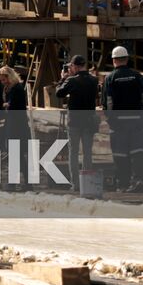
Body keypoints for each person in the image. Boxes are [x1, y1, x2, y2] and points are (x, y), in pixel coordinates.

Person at [104, 45, 143, 192]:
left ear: (114, 60)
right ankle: (138, 182)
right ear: (126, 59)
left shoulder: (110, 78)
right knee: (138, 152)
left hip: (119, 123)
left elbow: (108, 102)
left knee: (120, 154)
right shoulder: (137, 76)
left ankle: (123, 184)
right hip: (137, 120)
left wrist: (110, 119)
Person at [56, 54, 100, 191]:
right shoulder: (93, 80)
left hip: (74, 122)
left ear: (74, 66)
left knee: (73, 153)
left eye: (71, 66)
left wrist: (63, 78)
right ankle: (87, 183)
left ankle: (75, 184)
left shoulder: (72, 81)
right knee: (87, 153)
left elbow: (59, 93)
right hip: (89, 121)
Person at [0, 65, 30, 189]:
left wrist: (5, 105)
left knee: (16, 154)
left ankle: (14, 183)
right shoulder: (9, 88)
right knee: (18, 155)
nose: (2, 82)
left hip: (17, 125)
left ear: (9, 77)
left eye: (4, 79)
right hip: (13, 124)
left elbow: (13, 106)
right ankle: (26, 182)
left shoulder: (16, 88)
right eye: (1, 80)